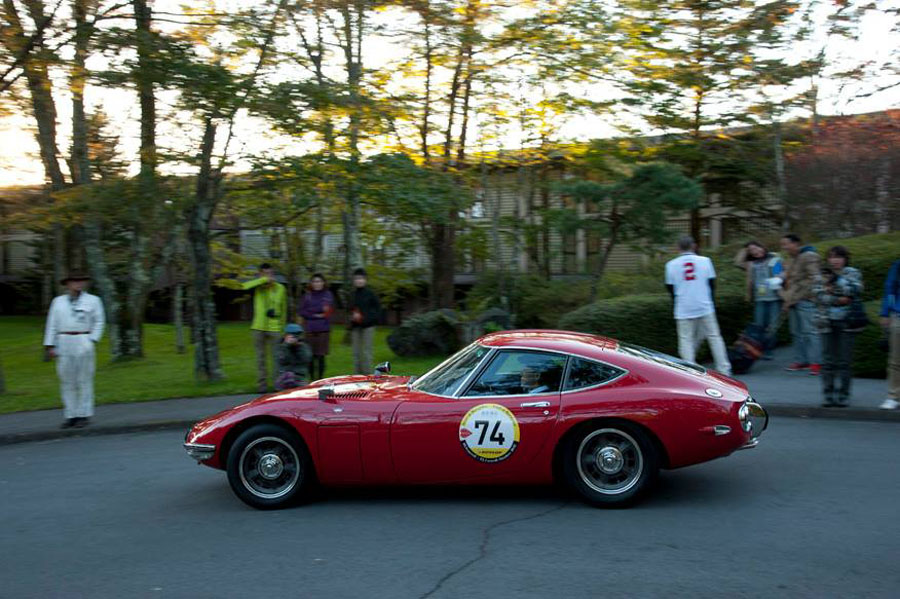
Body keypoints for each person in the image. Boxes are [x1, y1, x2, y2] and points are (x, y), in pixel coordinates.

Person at [43, 272, 105, 429]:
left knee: (84, 379)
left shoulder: (93, 300)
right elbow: (52, 324)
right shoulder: (58, 302)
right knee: (67, 380)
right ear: (67, 284)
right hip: (64, 340)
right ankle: (70, 415)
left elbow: (99, 321)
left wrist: (92, 340)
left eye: (81, 281)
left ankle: (83, 414)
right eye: (75, 281)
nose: (78, 284)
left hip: (83, 338)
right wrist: (50, 345)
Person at [664, 235, 732, 375]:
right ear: (693, 246)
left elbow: (670, 288)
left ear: (678, 248)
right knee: (714, 337)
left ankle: (690, 372)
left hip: (683, 306)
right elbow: (712, 284)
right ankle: (724, 368)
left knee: (686, 340)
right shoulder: (706, 261)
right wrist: (711, 302)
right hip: (704, 305)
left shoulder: (671, 265)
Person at [814, 246, 863, 407]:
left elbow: (855, 290)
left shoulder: (853, 273)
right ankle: (828, 394)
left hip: (847, 322)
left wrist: (835, 285)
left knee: (844, 361)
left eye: (839, 257)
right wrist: (838, 299)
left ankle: (844, 394)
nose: (835, 260)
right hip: (825, 321)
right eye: (832, 257)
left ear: (845, 258)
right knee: (827, 360)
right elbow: (818, 295)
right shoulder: (821, 274)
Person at [779, 233, 822, 375]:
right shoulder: (792, 259)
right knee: (796, 333)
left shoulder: (809, 256)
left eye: (786, 244)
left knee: (811, 332)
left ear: (796, 243)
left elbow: (815, 278)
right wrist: (787, 298)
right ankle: (802, 360)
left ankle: (816, 362)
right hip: (793, 301)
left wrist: (802, 295)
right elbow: (791, 281)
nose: (784, 247)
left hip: (806, 300)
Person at [241, 263, 288, 392]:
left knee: (277, 357)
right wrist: (262, 280)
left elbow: (283, 309)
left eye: (270, 274)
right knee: (260, 358)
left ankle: (277, 384)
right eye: (265, 274)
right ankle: (262, 385)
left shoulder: (280, 288)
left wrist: (283, 327)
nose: (268, 276)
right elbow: (244, 286)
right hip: (258, 327)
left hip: (275, 328)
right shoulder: (257, 286)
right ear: (260, 274)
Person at [736, 241, 784, 359]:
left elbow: (781, 274)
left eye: (756, 248)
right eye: (751, 250)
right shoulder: (752, 263)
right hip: (760, 298)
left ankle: (769, 350)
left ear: (762, 247)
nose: (755, 251)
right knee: (759, 325)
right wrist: (744, 249)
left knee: (772, 326)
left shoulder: (774, 259)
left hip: (774, 298)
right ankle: (759, 349)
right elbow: (738, 262)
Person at [298, 273, 334, 381]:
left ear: (323, 283)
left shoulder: (328, 295)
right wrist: (316, 314)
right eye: (314, 281)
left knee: (321, 356)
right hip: (310, 329)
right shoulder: (307, 296)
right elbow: (302, 311)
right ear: (311, 283)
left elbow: (328, 311)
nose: (317, 284)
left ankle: (320, 379)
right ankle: (312, 379)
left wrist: (312, 311)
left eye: (319, 281)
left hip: (323, 330)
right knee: (310, 356)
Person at [348, 268, 381, 374]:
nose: (359, 281)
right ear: (354, 280)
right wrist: (352, 316)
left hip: (368, 326)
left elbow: (377, 309)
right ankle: (357, 375)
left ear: (365, 280)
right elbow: (349, 309)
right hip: (356, 327)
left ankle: (367, 375)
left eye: (361, 278)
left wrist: (368, 319)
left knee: (367, 353)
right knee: (356, 353)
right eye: (357, 278)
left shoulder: (370, 294)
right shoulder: (352, 294)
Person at [880, 258, 900, 410]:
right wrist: (885, 313)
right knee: (895, 360)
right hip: (898, 316)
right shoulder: (898, 265)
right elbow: (890, 288)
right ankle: (893, 396)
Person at [275, 323, 312, 391]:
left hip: (299, 377)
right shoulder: (281, 346)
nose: (295, 337)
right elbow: (283, 360)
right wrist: (287, 346)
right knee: (288, 377)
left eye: (297, 335)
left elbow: (306, 359)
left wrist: (298, 347)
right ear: (286, 335)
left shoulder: (303, 346)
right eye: (293, 335)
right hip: (284, 376)